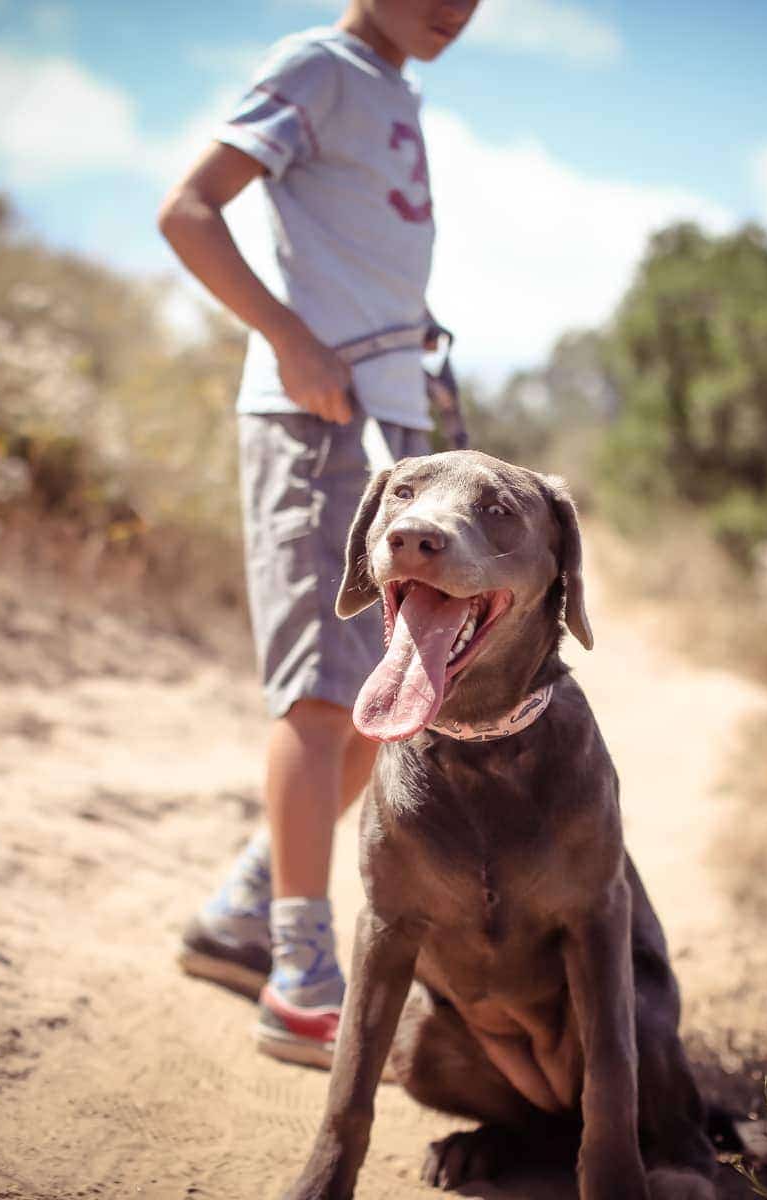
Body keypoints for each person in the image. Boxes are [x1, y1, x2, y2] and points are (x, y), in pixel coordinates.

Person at [156, 0, 479, 1068]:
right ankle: (300, 975)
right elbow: (189, 211)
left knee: (381, 707)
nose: (457, 6)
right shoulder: (320, 66)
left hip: (388, 436)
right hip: (311, 423)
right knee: (320, 696)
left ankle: (244, 908)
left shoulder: (394, 87)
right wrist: (290, 339)